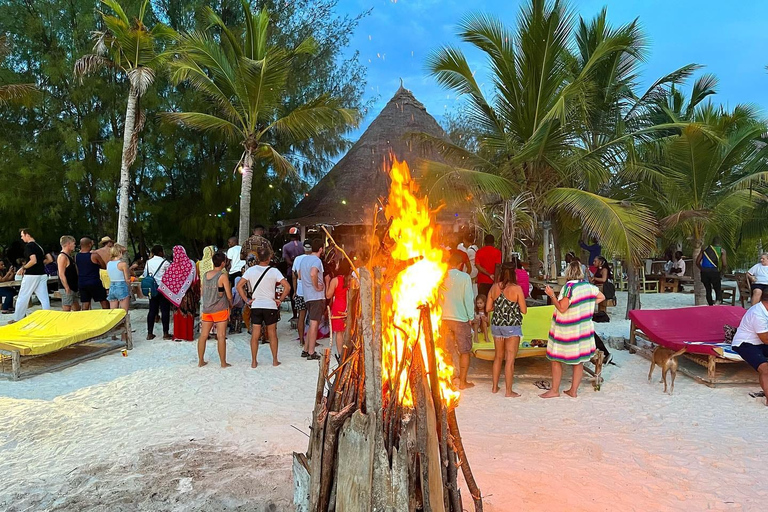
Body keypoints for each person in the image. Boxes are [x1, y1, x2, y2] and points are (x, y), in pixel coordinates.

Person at [541, 261, 605, 398]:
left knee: (555, 359)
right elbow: (602, 297)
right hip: (583, 330)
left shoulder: (569, 288)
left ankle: (554, 390)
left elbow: (562, 308)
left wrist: (551, 295)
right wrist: (585, 305)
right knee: (579, 360)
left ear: (568, 272)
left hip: (567, 330)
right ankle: (573, 391)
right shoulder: (589, 287)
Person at [237, 245, 289, 368]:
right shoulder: (274, 271)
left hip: (256, 305)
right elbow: (287, 287)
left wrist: (246, 300)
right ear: (269, 258)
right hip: (270, 305)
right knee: (272, 334)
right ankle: (275, 360)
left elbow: (239, 286)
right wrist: (280, 300)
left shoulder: (251, 270)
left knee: (255, 334)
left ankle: (254, 361)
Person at [486, 264, 527, 396]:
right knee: (510, 359)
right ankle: (508, 391)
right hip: (511, 326)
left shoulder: (494, 287)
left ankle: (494, 387)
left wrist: (499, 308)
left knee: (498, 357)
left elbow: (487, 308)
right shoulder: (517, 289)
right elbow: (524, 310)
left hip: (497, 325)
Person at [440, 251, 476, 389]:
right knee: (464, 351)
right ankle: (462, 382)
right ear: (461, 264)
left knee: (446, 351)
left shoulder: (441, 276)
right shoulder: (465, 277)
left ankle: (447, 381)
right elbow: (468, 299)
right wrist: (471, 317)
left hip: (444, 318)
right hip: (461, 319)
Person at [730, 295, 768, 406]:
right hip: (745, 344)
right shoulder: (757, 314)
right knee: (765, 368)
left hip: (760, 342)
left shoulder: (764, 309)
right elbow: (765, 339)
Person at [198, 251, 232, 368]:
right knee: (221, 336)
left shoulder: (205, 275)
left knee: (203, 336)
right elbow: (228, 295)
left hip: (207, 309)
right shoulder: (222, 276)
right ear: (223, 263)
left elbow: (202, 291)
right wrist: (230, 305)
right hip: (220, 309)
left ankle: (201, 361)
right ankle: (223, 362)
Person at [158, 246, 199, 341]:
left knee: (178, 315)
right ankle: (187, 335)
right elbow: (195, 279)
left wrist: (174, 291)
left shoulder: (173, 266)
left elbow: (166, 279)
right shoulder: (191, 263)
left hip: (176, 296)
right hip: (188, 295)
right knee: (188, 313)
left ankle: (178, 335)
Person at [12, 229, 51, 323]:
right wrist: (40, 265)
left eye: (22, 235)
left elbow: (33, 260)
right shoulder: (39, 245)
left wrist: (23, 268)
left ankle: (18, 319)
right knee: (44, 298)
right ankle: (49, 317)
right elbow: (49, 259)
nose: (21, 238)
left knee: (22, 296)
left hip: (31, 275)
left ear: (27, 235)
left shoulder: (29, 246)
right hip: (42, 274)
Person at [299, 239, 325, 360]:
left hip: (307, 295)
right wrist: (316, 286)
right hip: (316, 296)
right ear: (320, 249)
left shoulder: (304, 259)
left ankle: (305, 349)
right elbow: (313, 273)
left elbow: (299, 275)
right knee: (314, 324)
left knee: (311, 323)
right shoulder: (317, 260)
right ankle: (311, 352)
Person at [143, 245, 171, 340]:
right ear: (160, 252)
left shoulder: (148, 262)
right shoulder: (165, 262)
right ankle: (165, 333)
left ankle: (150, 333)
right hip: (162, 289)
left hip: (152, 289)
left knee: (152, 310)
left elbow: (145, 274)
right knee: (165, 311)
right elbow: (170, 275)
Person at [326, 258, 352, 356]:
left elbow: (328, 295)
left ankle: (341, 354)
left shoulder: (335, 280)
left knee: (339, 332)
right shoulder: (352, 280)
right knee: (349, 330)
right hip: (349, 306)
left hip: (338, 307)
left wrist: (327, 282)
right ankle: (348, 351)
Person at [76, 237, 109, 311]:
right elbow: (103, 266)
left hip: (82, 281)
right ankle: (107, 315)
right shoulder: (94, 255)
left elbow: (77, 269)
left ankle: (84, 318)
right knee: (103, 300)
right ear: (89, 244)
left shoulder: (77, 256)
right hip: (94, 281)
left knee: (85, 302)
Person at [696, 238, 727, 306]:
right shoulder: (722, 250)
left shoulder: (704, 249)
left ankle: (710, 304)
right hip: (714, 272)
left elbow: (697, 262)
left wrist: (702, 269)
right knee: (717, 289)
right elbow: (724, 264)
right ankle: (718, 301)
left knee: (708, 289)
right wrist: (721, 271)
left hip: (704, 272)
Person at [292, 241, 312, 346]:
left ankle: (301, 340)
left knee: (301, 317)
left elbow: (294, 276)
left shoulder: (297, 259)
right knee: (312, 318)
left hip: (300, 291)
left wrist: (295, 291)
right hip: (312, 292)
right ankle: (311, 340)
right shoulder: (314, 259)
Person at [57, 236, 80, 312]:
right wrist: (66, 287)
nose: (74, 245)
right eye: (73, 243)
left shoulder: (69, 256)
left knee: (76, 307)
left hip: (73, 286)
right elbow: (61, 273)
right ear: (68, 244)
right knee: (67, 308)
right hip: (67, 287)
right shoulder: (62, 257)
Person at [106, 244, 131, 312]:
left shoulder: (108, 264)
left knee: (113, 312)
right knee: (123, 312)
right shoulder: (123, 264)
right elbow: (127, 279)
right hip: (121, 286)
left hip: (112, 286)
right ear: (120, 253)